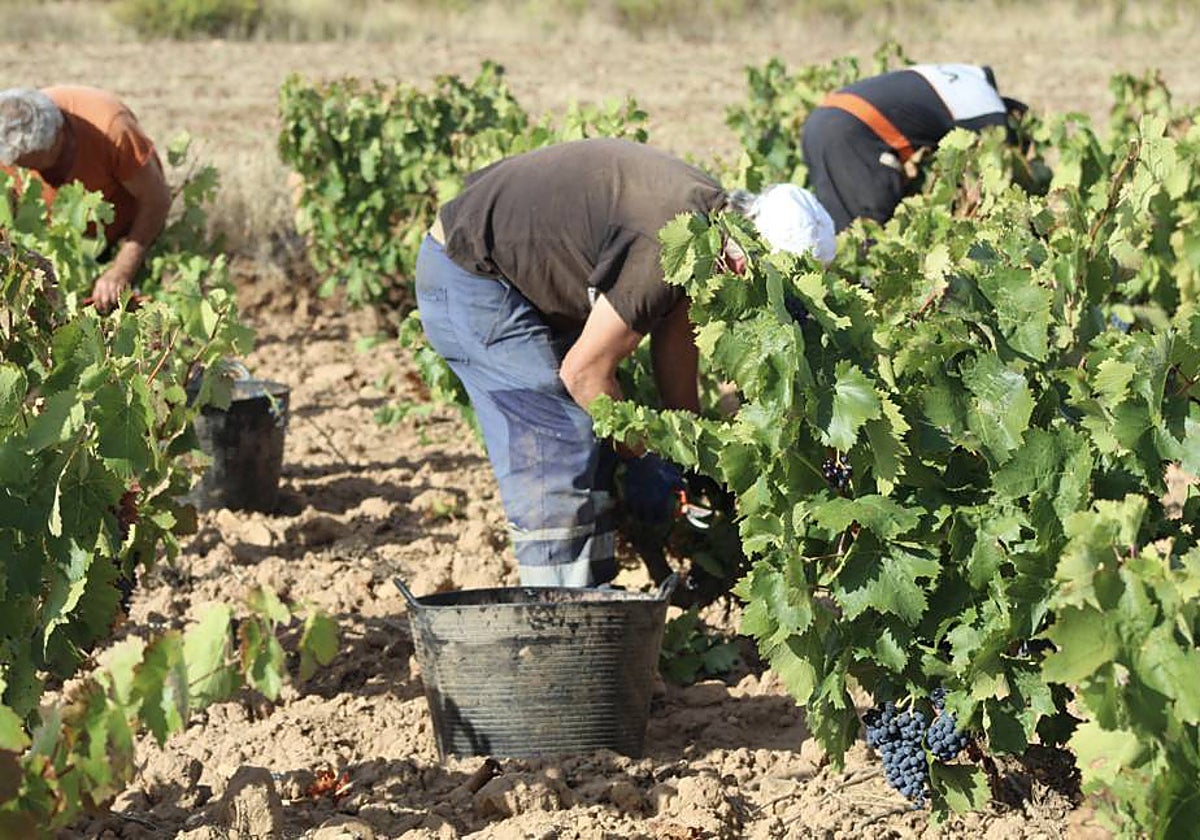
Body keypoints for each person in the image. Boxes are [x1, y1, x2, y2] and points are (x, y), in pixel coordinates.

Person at [415, 137, 835, 587]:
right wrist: (643, 458)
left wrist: (685, 451)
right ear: (746, 259)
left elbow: (676, 336)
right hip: (469, 274)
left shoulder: (704, 227)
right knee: (558, 437)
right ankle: (562, 618)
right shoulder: (662, 245)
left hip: (514, 273)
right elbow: (584, 372)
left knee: (592, 439)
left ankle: (594, 597)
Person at [0, 86, 171, 310]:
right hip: (53, 251)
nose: (28, 173)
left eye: (34, 165)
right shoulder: (5, 142)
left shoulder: (112, 128)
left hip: (125, 236)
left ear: (58, 139)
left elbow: (156, 200)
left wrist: (121, 271)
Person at [802, 63, 1028, 231]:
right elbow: (999, 166)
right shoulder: (987, 106)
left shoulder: (958, 76)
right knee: (868, 238)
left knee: (835, 231)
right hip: (848, 133)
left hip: (821, 119)